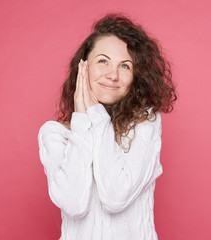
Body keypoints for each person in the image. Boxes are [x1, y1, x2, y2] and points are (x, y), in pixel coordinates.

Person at [38, 13, 176, 240]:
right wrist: (82, 121)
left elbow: (115, 197)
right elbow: (73, 205)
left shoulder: (145, 123)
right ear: (84, 67)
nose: (112, 75)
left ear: (136, 77)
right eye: (103, 61)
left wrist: (97, 116)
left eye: (125, 66)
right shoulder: (55, 134)